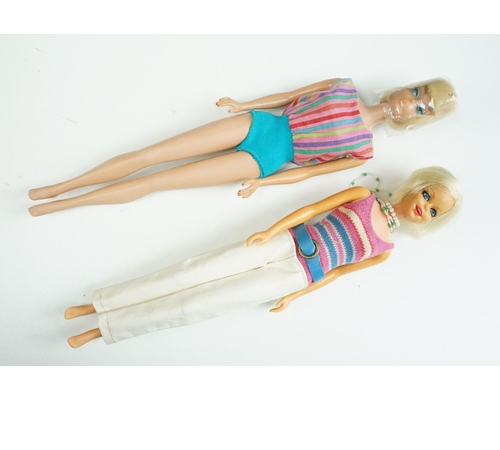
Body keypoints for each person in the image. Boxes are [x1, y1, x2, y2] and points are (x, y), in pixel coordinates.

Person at [64, 166, 461, 348]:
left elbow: (337, 273)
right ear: (418, 184)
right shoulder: (363, 197)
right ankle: (99, 303)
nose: (423, 205)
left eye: (433, 211)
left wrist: (295, 295)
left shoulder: (384, 250)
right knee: (193, 272)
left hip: (296, 277)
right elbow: (313, 209)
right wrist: (271, 231)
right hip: (286, 241)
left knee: (198, 306)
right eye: (427, 195)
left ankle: (106, 329)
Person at [28, 77, 456, 216]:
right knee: (149, 155)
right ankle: (61, 186)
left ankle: (65, 204)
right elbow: (290, 96)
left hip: (265, 159)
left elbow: (307, 173)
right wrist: (244, 104)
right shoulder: (344, 86)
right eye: (418, 93)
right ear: (409, 86)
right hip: (260, 124)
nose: (410, 104)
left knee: (160, 181)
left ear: (417, 121)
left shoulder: (364, 149)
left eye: (422, 109)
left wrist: (263, 184)